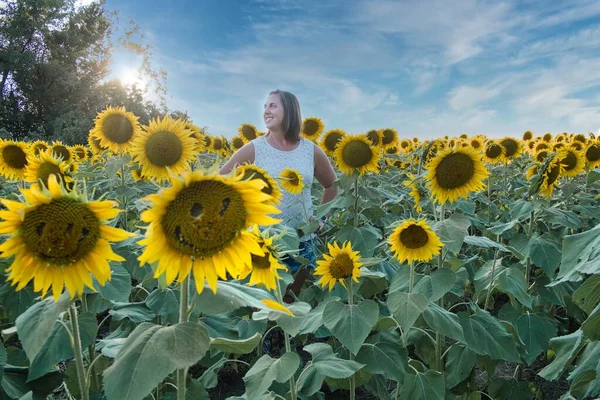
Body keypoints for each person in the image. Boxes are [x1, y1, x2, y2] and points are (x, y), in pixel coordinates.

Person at [220, 89, 338, 302]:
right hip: (262, 241)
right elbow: (220, 181)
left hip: (301, 240)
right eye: (265, 106)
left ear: (290, 111)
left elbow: (332, 186)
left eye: (273, 105)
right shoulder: (255, 149)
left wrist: (321, 220)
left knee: (291, 303)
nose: (266, 110)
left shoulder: (310, 150)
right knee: (260, 306)